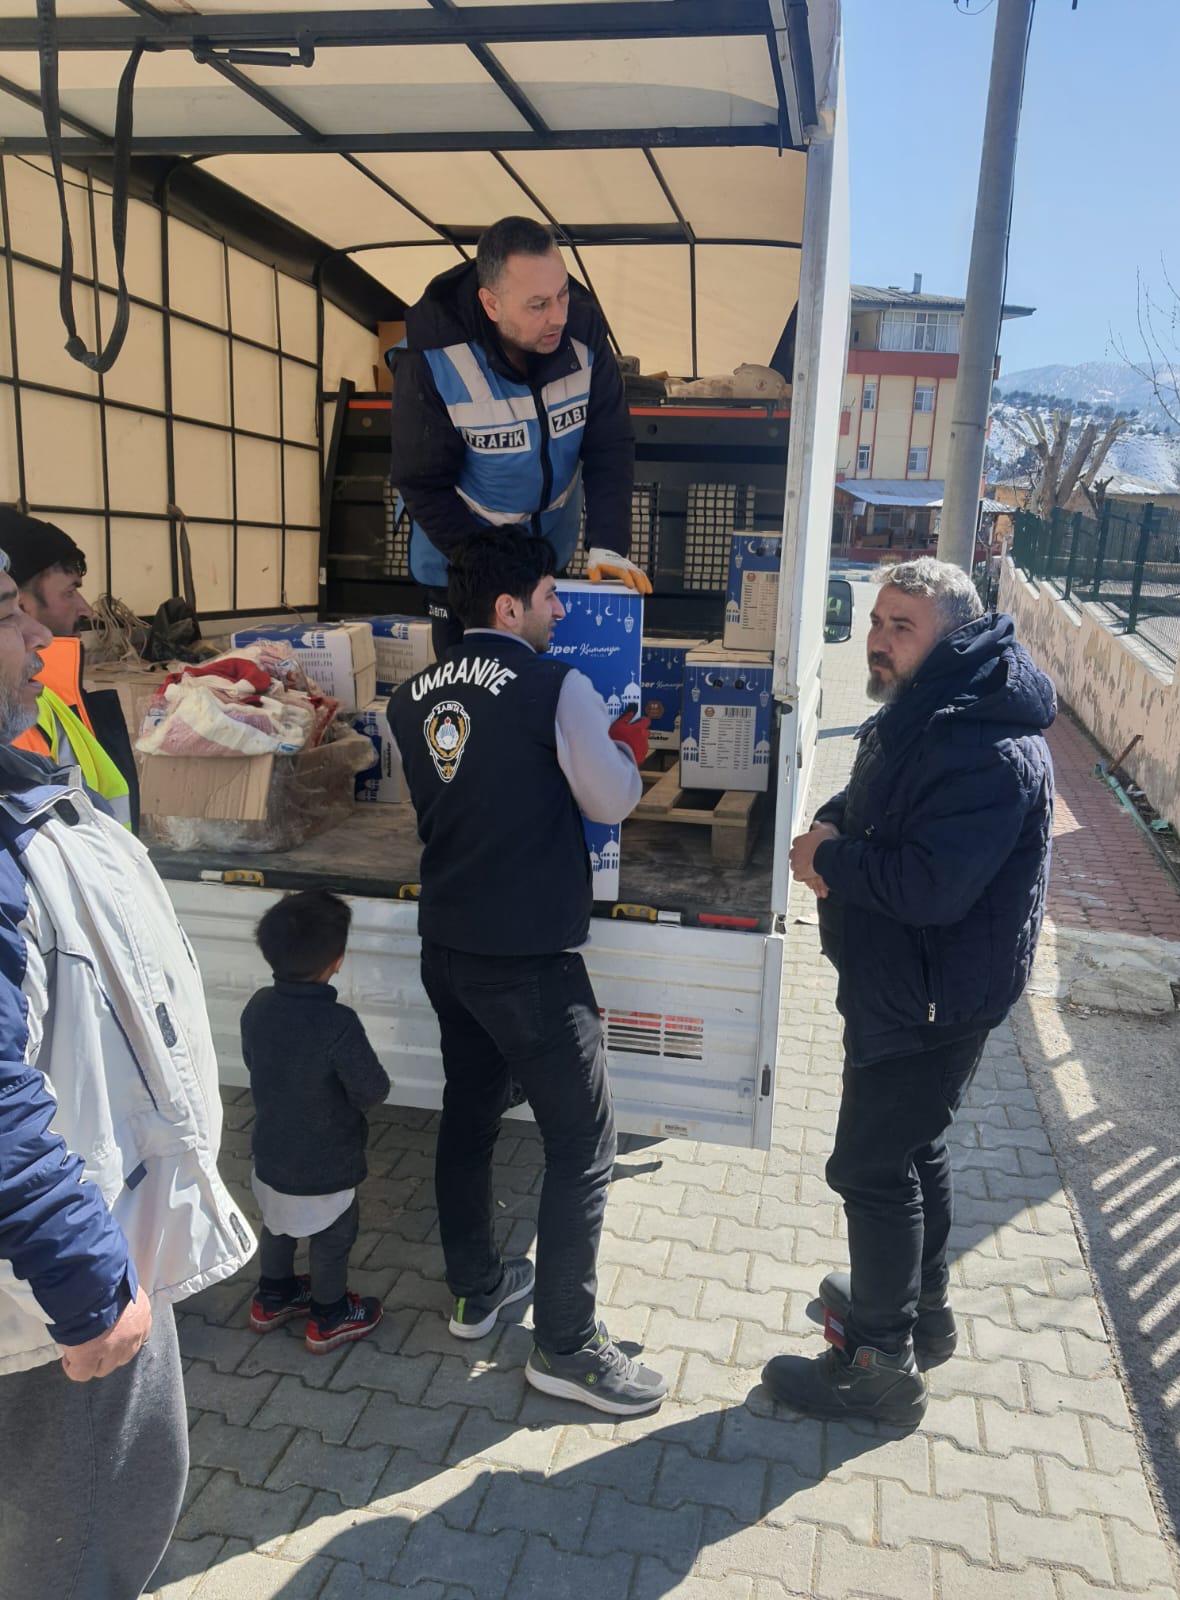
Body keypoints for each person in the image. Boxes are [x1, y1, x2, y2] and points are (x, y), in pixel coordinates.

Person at [0, 547, 254, 1598]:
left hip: (61, 1282)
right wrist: (89, 1281)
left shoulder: (26, 767)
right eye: (9, 613)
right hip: (47, 1312)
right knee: (75, 1550)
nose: (38, 633)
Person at [763, 557, 1055, 1426]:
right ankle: (920, 1313)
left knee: (870, 1166)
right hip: (907, 984)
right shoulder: (932, 705)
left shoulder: (987, 747)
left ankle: (878, 1363)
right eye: (877, 620)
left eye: (902, 627)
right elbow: (882, 800)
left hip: (932, 999)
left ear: (953, 638)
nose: (878, 640)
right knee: (914, 1148)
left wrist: (833, 860)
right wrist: (837, 823)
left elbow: (932, 886)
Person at [387, 527, 667, 1415]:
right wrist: (626, 751)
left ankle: (477, 1292)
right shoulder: (557, 685)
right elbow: (610, 799)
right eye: (550, 596)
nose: (560, 611)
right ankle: (567, 1347)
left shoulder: (410, 695)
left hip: (448, 946)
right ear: (509, 607)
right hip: (529, 962)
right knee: (584, 1144)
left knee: (469, 1116)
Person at [389, 215, 651, 657]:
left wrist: (608, 544)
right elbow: (422, 483)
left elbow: (609, 446)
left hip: (544, 553)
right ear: (491, 304)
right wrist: (494, 572)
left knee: (541, 685)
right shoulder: (430, 357)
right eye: (538, 305)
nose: (558, 317)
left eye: (562, 294)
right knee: (474, 686)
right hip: (461, 559)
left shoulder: (585, 333)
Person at [242, 888, 390, 1353]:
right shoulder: (337, 1023)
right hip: (327, 1163)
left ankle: (273, 1296)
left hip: (270, 1152)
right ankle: (329, 1316)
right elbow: (372, 1088)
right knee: (332, 1237)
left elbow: (253, 1061)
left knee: (277, 1225)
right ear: (337, 961)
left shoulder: (258, 1005)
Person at [0, 506, 139, 829]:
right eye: (69, 591)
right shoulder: (15, 711)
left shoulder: (47, 698)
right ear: (22, 603)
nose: (86, 608)